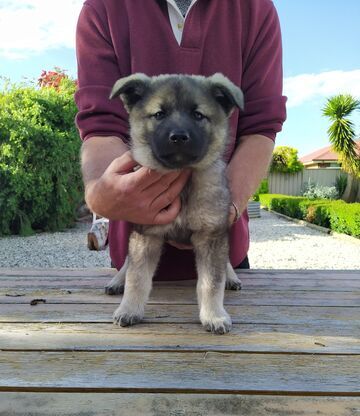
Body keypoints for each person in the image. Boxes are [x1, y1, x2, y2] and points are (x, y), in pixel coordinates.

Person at [75, 0, 287, 280]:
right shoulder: (104, 7)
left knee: (218, 315)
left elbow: (260, 127)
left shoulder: (254, 8)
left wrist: (223, 208)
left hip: (224, 257)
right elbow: (101, 125)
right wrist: (103, 194)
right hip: (135, 257)